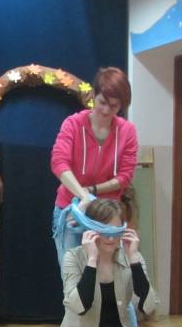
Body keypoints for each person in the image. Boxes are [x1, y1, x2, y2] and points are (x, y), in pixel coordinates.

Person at [51, 199, 167, 327]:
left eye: (116, 231)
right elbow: (79, 306)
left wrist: (134, 260)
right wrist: (92, 261)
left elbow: (148, 306)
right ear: (90, 229)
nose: (110, 238)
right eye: (104, 230)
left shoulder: (132, 257)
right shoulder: (73, 257)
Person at [50, 67, 137, 263]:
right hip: (72, 210)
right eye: (102, 102)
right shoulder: (73, 124)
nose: (106, 110)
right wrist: (83, 197)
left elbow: (125, 176)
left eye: (114, 106)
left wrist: (92, 191)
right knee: (73, 275)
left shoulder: (127, 131)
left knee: (107, 274)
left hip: (107, 216)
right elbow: (59, 162)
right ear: (94, 95)